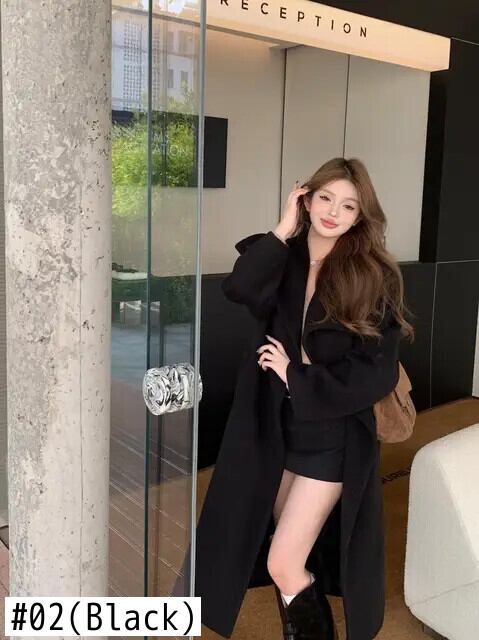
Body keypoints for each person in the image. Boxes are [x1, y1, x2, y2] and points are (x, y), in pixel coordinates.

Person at [191, 157, 415, 640]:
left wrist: (296, 376)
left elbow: (376, 372)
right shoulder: (283, 257)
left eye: (348, 206)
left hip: (333, 435)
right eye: (325, 198)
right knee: (285, 552)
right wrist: (282, 227)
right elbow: (239, 288)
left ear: (360, 215)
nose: (334, 212)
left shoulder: (372, 274)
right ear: (306, 199)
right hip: (278, 428)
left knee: (284, 561)